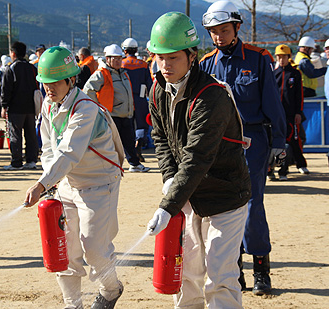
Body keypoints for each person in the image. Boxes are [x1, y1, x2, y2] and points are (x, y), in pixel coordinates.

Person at [146, 12, 251, 308]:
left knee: (219, 275)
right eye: (160, 57)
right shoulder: (157, 90)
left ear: (192, 56)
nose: (165, 65)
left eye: (174, 57)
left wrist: (168, 206)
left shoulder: (211, 96)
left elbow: (197, 157)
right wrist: (169, 178)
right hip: (188, 196)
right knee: (187, 273)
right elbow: (161, 137)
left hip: (225, 196)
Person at [23, 46, 125, 309]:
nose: (49, 88)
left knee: (95, 249)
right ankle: (73, 304)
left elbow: (69, 152)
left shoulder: (86, 108)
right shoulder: (47, 105)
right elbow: (48, 148)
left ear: (71, 80)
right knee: (65, 249)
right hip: (67, 184)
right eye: (45, 82)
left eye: (55, 81)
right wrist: (51, 181)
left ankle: (111, 289)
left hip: (99, 184)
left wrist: (42, 183)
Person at [199, 0, 287, 295]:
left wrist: (279, 141)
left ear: (236, 27)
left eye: (224, 30)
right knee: (222, 206)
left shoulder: (259, 58)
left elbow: (273, 103)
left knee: (251, 205)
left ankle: (261, 268)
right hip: (218, 142)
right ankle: (233, 271)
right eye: (213, 32)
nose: (219, 36)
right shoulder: (205, 64)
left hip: (253, 140)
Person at [83, 44, 149, 172]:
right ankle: (110, 166)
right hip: (112, 115)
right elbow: (88, 89)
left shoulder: (124, 73)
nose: (119, 61)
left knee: (129, 141)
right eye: (115, 58)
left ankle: (134, 164)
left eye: (120, 58)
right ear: (108, 59)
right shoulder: (102, 74)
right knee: (111, 144)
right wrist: (99, 108)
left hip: (126, 114)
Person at [1, 41, 39, 170]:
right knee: (31, 134)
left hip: (16, 108)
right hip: (31, 107)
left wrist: (4, 106)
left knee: (15, 134)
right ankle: (31, 160)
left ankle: (16, 162)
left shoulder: (10, 68)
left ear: (13, 53)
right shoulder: (32, 68)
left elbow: (6, 89)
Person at [273, 45, 309, 180]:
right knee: (279, 142)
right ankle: (280, 169)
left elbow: (299, 95)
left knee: (294, 139)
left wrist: (298, 112)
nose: (281, 59)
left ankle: (301, 163)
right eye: (279, 57)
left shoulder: (295, 73)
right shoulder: (273, 74)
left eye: (284, 56)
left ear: (289, 57)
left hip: (291, 114)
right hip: (277, 115)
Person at [121, 37, 153, 162]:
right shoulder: (144, 65)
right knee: (141, 124)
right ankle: (139, 146)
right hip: (140, 98)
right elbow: (149, 84)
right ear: (135, 50)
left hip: (125, 99)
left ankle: (129, 152)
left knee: (126, 126)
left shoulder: (122, 64)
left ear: (125, 50)